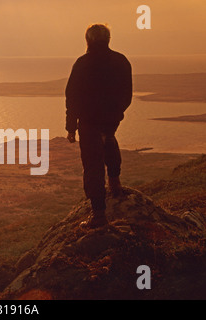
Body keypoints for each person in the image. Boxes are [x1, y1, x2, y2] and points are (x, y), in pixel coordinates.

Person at [65, 24, 132, 228]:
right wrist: (116, 114)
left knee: (92, 164)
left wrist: (71, 127)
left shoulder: (82, 64)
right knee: (109, 140)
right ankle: (115, 183)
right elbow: (127, 94)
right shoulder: (121, 61)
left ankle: (99, 215)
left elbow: (72, 97)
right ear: (108, 39)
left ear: (88, 41)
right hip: (110, 119)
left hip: (88, 120)